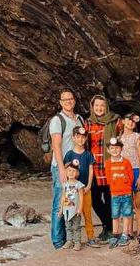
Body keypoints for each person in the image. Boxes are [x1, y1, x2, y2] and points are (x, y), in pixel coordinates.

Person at [49, 89, 86, 249]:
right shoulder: (57, 120)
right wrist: (61, 169)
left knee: (73, 201)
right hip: (62, 167)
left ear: (74, 100)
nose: (68, 102)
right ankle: (58, 241)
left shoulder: (80, 119)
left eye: (70, 98)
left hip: (76, 168)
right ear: (60, 102)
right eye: (65, 100)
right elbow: (56, 146)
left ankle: (70, 238)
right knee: (60, 202)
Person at [84, 95, 123, 243]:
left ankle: (109, 229)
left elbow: (124, 135)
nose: (99, 108)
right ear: (92, 107)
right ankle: (109, 225)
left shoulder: (115, 120)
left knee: (110, 200)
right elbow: (84, 144)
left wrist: (138, 137)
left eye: (102, 105)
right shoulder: (88, 122)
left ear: (106, 106)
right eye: (96, 105)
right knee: (95, 200)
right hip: (94, 167)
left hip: (110, 167)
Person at [64, 126, 99, 248]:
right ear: (73, 138)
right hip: (72, 191)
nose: (80, 139)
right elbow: (66, 171)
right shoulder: (69, 154)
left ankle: (91, 237)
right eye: (78, 137)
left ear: (86, 139)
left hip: (85, 190)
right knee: (70, 214)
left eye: (83, 137)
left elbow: (91, 170)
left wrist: (89, 185)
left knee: (87, 214)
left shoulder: (88, 154)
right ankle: (72, 240)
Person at [121, 112, 140, 246]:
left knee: (138, 203)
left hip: (136, 170)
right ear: (123, 121)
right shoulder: (118, 139)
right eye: (128, 119)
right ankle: (129, 231)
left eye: (133, 121)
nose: (130, 122)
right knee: (128, 203)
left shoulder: (138, 137)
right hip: (124, 172)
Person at [104, 137, 134, 248]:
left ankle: (125, 234)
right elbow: (108, 178)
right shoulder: (108, 163)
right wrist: (115, 186)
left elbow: (131, 177)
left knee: (126, 214)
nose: (115, 150)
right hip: (115, 194)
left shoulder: (126, 162)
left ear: (121, 149)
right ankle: (115, 234)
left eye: (117, 148)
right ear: (108, 150)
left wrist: (125, 185)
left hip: (126, 193)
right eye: (112, 148)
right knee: (115, 215)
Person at [59, 164, 85, 251]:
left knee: (76, 227)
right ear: (66, 172)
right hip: (66, 209)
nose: (71, 173)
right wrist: (61, 209)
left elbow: (81, 197)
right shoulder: (65, 185)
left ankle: (77, 242)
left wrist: (80, 208)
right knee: (68, 227)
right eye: (69, 171)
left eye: (73, 171)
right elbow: (63, 197)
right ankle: (69, 241)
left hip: (75, 210)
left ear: (77, 173)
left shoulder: (79, 185)